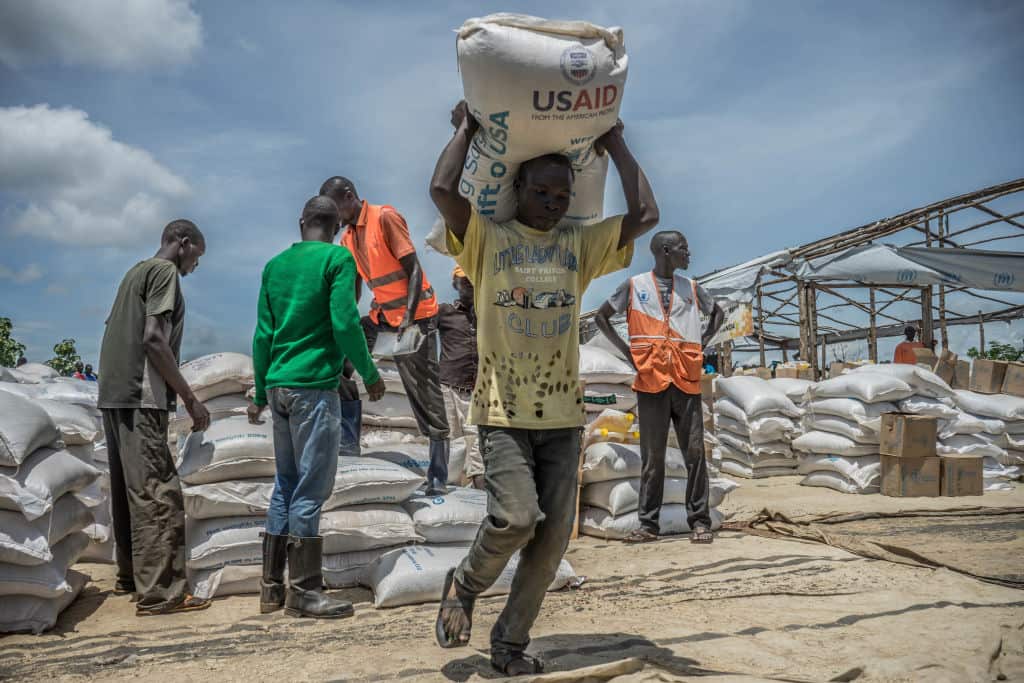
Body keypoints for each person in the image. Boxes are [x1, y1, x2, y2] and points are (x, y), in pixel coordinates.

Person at [429, 101, 659, 675]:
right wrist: (466, 129)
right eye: (543, 194)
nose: (554, 204)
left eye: (563, 196)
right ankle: (464, 583)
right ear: (519, 190)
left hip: (561, 415)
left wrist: (618, 143)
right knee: (516, 518)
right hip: (503, 410)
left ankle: (510, 643)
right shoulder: (488, 238)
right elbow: (441, 189)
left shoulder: (578, 245)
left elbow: (647, 214)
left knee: (554, 540)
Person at [248, 196, 386, 619]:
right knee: (310, 488)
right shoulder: (337, 261)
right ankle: (305, 591)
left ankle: (271, 588)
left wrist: (258, 392)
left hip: (279, 386)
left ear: (302, 221)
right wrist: (369, 373)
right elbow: (345, 322)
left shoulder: (274, 267)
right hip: (314, 389)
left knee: (285, 484)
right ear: (335, 225)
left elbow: (262, 336)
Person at [97, 218, 210, 616]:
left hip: (113, 395)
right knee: (158, 492)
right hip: (140, 395)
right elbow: (153, 339)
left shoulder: (134, 272)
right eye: (198, 254)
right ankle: (163, 592)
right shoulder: (164, 272)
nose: (197, 264)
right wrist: (190, 399)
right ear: (183, 243)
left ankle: (131, 576)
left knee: (132, 491)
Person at [320, 177, 451, 496]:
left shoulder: (384, 217)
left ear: (349, 197)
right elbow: (354, 288)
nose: (334, 217)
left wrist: (407, 320)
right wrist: (341, 320)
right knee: (338, 366)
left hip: (415, 318)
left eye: (335, 207)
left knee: (421, 389)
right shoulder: (348, 239)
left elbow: (415, 271)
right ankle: (347, 445)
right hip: (383, 318)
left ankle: (437, 475)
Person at [594, 231, 724, 544]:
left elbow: (717, 314)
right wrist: (628, 353)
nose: (689, 254)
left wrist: (700, 344)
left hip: (685, 378)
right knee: (652, 457)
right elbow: (602, 317)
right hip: (651, 379)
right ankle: (648, 525)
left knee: (695, 453)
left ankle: (700, 521)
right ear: (666, 251)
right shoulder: (635, 285)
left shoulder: (691, 287)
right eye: (684, 248)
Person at [437, 266, 482, 488]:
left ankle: (479, 493)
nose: (470, 285)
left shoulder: (487, 315)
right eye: (465, 281)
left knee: (478, 446)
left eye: (473, 280)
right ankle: (451, 490)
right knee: (452, 442)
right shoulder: (444, 312)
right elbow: (419, 332)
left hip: (478, 391)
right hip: (448, 386)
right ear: (455, 285)